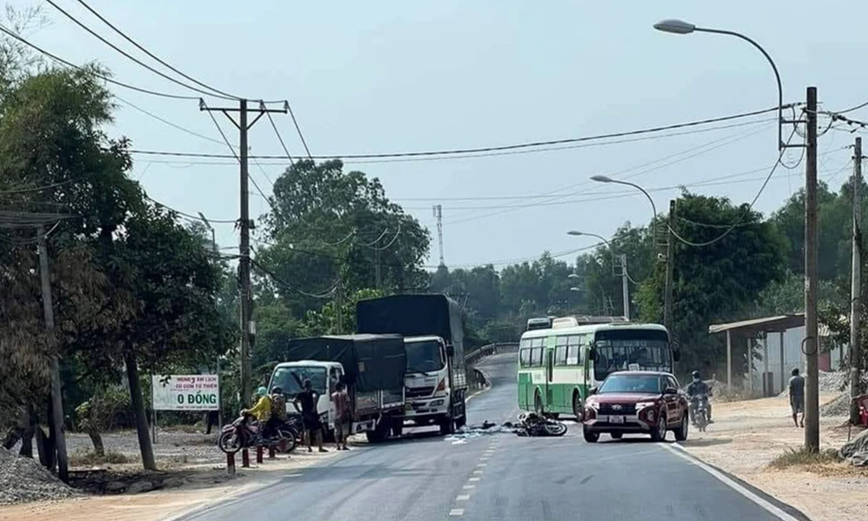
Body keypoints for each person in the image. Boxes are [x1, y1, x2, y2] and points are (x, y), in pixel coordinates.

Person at [294, 379, 327, 453]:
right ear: (311, 386)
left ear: (303, 386)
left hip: (305, 414)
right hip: (313, 414)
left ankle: (309, 448)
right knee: (318, 431)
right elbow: (315, 397)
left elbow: (294, 401)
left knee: (306, 431)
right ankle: (320, 448)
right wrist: (314, 407)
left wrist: (298, 410)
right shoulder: (313, 392)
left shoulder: (301, 394)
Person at [331, 381, 352, 451]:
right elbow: (348, 404)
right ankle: (344, 445)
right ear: (341, 387)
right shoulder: (345, 394)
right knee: (345, 431)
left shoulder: (333, 395)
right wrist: (352, 413)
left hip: (336, 414)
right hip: (344, 414)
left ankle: (337, 446)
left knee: (337, 431)